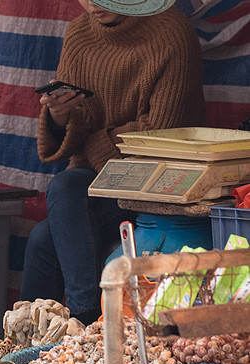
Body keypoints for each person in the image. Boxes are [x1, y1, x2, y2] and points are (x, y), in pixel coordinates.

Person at [19, 0, 205, 325]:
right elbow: (77, 123)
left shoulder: (172, 33)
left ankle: (82, 316)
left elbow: (160, 134)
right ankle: (30, 339)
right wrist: (60, 116)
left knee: (44, 236)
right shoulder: (78, 32)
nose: (91, 4)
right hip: (90, 184)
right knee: (55, 205)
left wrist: (91, 136)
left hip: (152, 188)